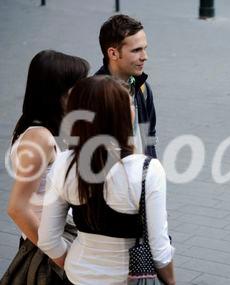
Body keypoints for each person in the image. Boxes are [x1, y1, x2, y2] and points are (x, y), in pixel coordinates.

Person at [37, 76, 175, 285]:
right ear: (120, 115)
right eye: (128, 104)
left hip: (76, 276)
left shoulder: (64, 163)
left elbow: (47, 239)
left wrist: (74, 263)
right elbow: (160, 250)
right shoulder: (146, 169)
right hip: (127, 278)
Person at [1, 50, 89, 284]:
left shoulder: (41, 129)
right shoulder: (39, 137)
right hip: (46, 247)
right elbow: (17, 208)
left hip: (52, 239)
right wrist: (59, 256)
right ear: (56, 92)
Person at [96, 14, 158, 157]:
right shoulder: (95, 94)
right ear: (113, 53)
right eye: (136, 50)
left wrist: (150, 169)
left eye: (145, 48)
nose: (144, 56)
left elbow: (149, 138)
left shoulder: (143, 88)